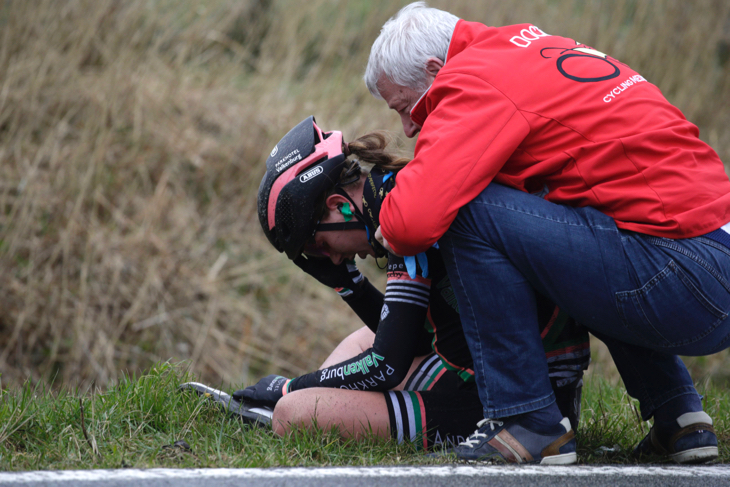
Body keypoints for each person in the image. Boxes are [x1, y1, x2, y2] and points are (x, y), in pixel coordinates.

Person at [364, 1, 729, 464]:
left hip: (683, 278)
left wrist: (384, 228)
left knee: (466, 207)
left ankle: (527, 421)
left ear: (437, 69)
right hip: (713, 256)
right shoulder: (531, 48)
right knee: (582, 218)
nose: (410, 127)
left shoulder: (473, 77)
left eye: (407, 107)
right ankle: (680, 418)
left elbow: (413, 220)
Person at [241, 116, 589, 458]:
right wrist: (351, 287)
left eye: (319, 246)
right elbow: (414, 339)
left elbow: (387, 363)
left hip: (513, 403)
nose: (331, 260)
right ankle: (314, 413)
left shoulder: (401, 216)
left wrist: (287, 387)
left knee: (293, 413)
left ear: (338, 207)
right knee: (361, 340)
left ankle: (301, 413)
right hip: (524, 376)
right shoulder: (395, 189)